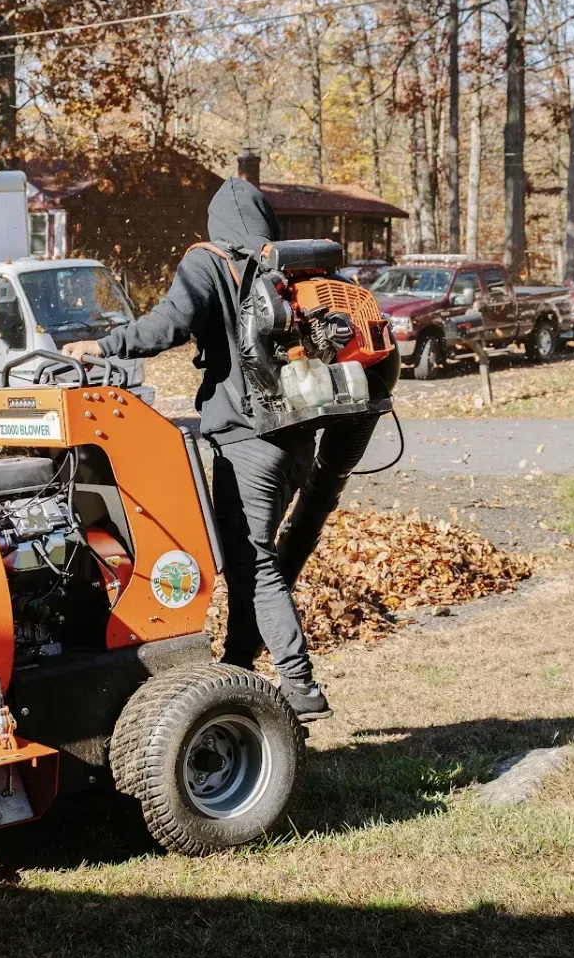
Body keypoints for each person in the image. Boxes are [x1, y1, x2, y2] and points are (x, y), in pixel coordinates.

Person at [64, 176, 377, 720]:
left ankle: (300, 686)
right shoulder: (295, 266)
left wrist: (104, 346)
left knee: (252, 562)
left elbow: (171, 323)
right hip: (302, 434)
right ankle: (239, 663)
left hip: (248, 440)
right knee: (251, 555)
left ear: (216, 225)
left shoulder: (210, 261)